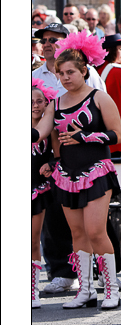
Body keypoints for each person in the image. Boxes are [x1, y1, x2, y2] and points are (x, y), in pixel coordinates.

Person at [32, 31, 121, 309]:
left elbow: (118, 135)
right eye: (61, 73)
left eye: (70, 72)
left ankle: (111, 289)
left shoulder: (99, 98)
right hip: (67, 175)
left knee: (96, 231)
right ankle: (85, 290)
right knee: (77, 234)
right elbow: (39, 132)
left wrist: (85, 136)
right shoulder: (56, 104)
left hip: (96, 171)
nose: (65, 77)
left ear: (84, 71)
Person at [31, 80, 59, 307]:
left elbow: (58, 157)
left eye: (39, 101)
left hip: (37, 191)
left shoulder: (51, 130)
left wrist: (50, 164)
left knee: (33, 240)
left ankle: (32, 292)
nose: (34, 105)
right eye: (30, 101)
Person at [97, 34, 121, 156]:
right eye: (120, 49)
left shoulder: (96, 70)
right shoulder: (120, 71)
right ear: (110, 50)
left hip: (102, 132)